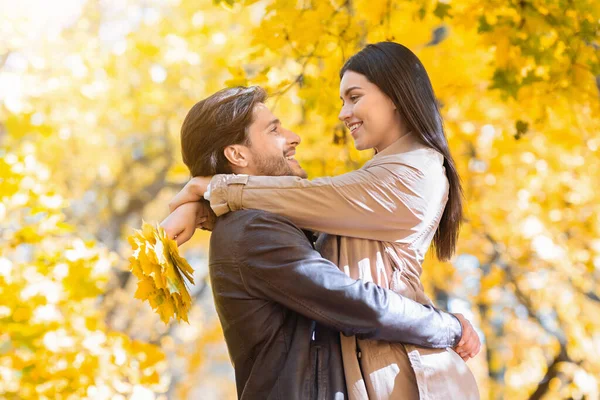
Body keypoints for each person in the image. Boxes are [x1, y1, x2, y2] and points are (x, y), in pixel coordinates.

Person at [161, 85, 480, 399]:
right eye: (274, 130)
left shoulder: (261, 225)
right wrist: (448, 327)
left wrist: (205, 203)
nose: (292, 137)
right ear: (237, 155)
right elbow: (354, 304)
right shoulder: (252, 229)